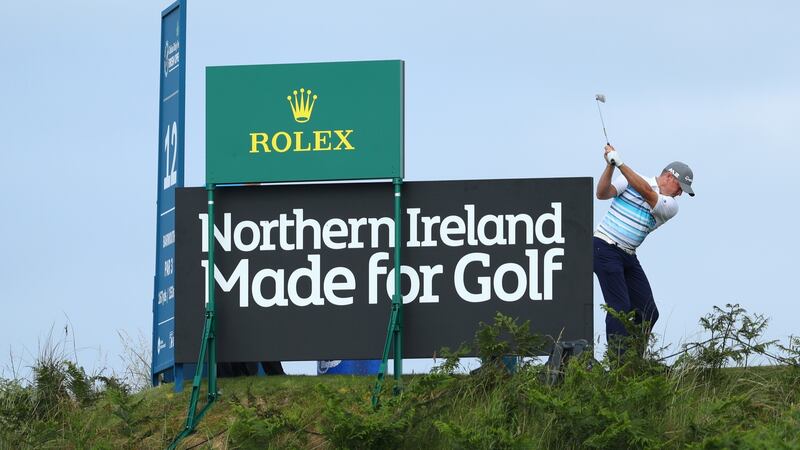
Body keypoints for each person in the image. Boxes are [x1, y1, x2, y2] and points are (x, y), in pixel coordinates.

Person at [593, 144, 694, 351]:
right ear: (669, 177)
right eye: (680, 188)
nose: (680, 194)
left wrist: (620, 163)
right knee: (619, 308)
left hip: (628, 255)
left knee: (649, 312)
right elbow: (602, 193)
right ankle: (618, 363)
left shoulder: (671, 206)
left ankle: (634, 359)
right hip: (604, 247)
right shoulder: (629, 178)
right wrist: (611, 166)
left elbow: (647, 192)